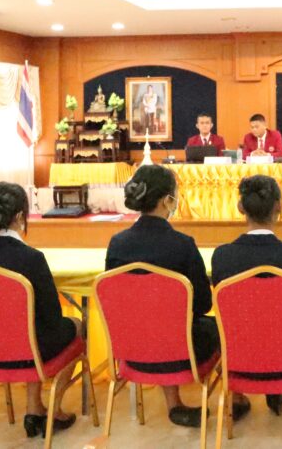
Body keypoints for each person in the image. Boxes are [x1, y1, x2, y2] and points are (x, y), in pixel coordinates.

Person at [0, 182, 79, 437]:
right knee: (75, 325)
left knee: (28, 331)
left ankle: (36, 407)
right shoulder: (31, 258)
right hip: (29, 350)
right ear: (21, 216)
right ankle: (47, 409)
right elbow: (52, 317)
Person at [105, 165, 218, 428]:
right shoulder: (182, 244)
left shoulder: (117, 243)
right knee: (212, 327)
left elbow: (114, 299)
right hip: (182, 350)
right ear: (168, 200)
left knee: (155, 322)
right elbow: (203, 304)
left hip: (131, 347)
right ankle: (235, 401)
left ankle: (174, 403)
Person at [210, 175, 282, 419]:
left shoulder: (222, 256)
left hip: (239, 359)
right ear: (279, 206)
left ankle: (237, 396)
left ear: (241, 207)